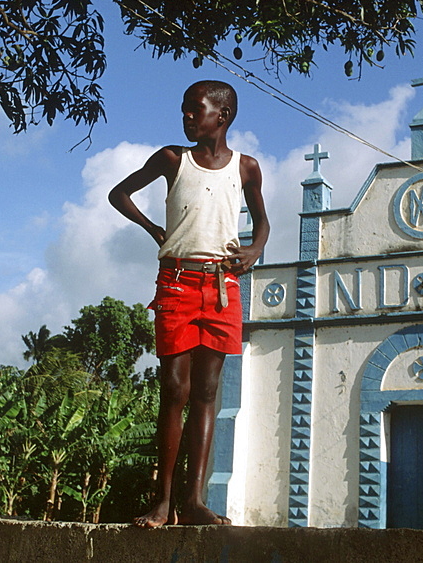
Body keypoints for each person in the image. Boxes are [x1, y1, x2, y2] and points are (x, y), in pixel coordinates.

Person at [109, 80, 269, 527]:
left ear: (223, 116)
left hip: (222, 286)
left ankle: (194, 501)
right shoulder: (172, 159)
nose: (186, 117)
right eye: (183, 110)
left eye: (194, 110)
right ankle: (163, 502)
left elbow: (262, 222)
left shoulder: (247, 168)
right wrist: (154, 230)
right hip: (177, 283)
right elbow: (119, 194)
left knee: (206, 394)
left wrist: (254, 251)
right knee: (174, 390)